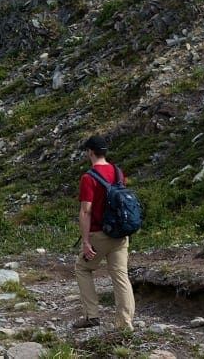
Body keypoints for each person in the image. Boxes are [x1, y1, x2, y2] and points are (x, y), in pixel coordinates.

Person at [74, 135, 135, 330]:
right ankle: (125, 323)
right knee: (120, 275)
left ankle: (92, 316)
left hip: (99, 234)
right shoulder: (118, 172)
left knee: (82, 268)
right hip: (120, 233)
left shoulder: (88, 177)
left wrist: (85, 241)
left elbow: (86, 211)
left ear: (90, 152)